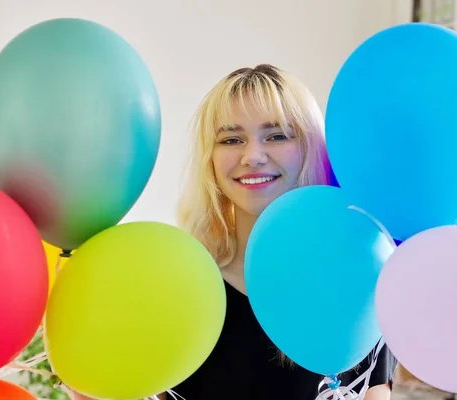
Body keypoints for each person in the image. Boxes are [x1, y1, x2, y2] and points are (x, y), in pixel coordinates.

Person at [73, 64, 396, 400]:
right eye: (231, 139)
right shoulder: (179, 286)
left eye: (276, 135)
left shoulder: (357, 281)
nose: (252, 156)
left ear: (309, 146)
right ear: (210, 159)